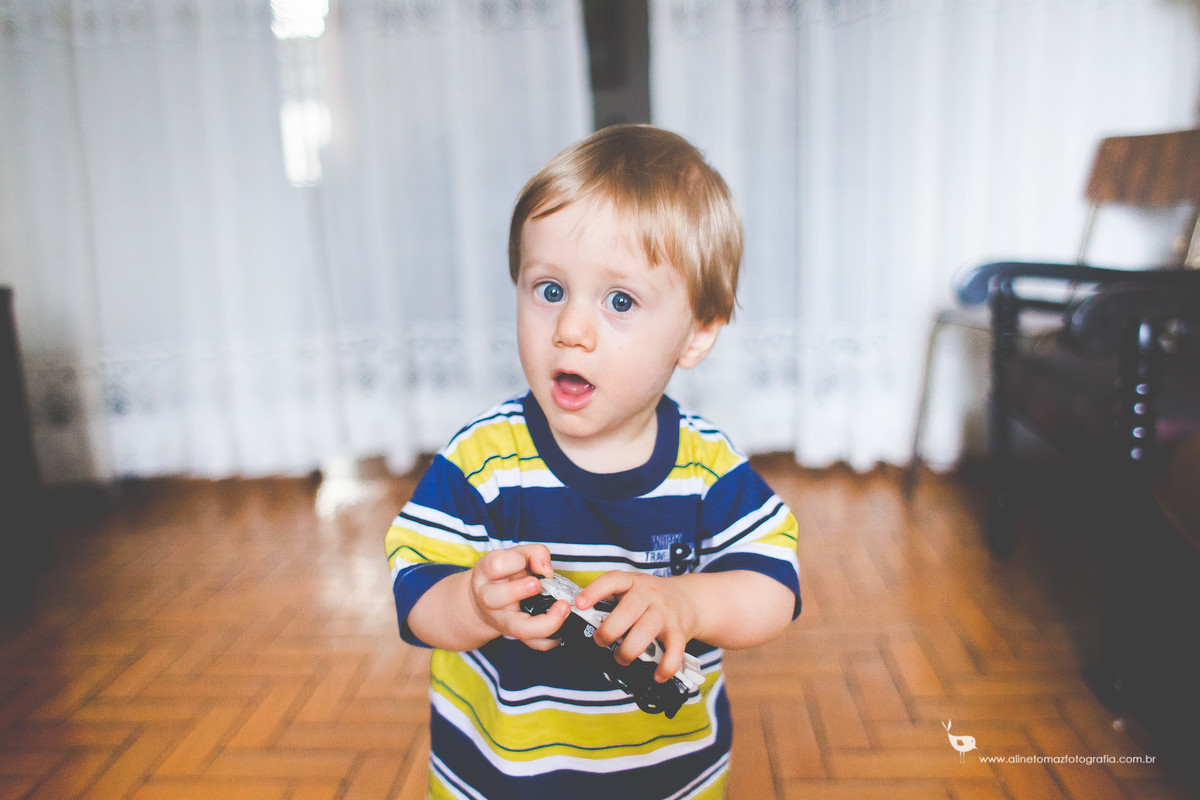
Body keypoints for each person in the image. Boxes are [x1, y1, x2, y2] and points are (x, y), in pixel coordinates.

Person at [385, 124, 801, 800]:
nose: (570, 330)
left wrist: (688, 603)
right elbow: (415, 596)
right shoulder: (482, 463)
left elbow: (774, 587)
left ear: (697, 332)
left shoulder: (708, 470)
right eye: (548, 290)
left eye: (619, 301)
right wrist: (472, 602)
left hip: (671, 781)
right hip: (502, 781)